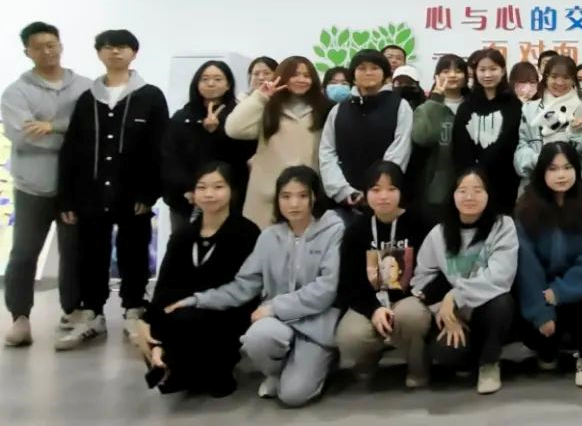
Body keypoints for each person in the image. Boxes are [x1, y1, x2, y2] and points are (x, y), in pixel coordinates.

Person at [165, 166, 344, 407]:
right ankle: (276, 373)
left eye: (302, 195)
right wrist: (198, 300)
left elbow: (326, 289)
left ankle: (323, 363)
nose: (294, 204)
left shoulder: (333, 230)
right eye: (286, 196)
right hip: (279, 322)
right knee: (257, 336)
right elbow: (244, 285)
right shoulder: (269, 237)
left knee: (293, 396)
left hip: (316, 324)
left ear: (314, 197)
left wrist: (274, 307)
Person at [56, 29, 169, 349]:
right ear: (99, 54)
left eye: (121, 47)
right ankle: (92, 313)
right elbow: (71, 150)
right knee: (91, 253)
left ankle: (134, 310)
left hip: (133, 195)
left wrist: (149, 193)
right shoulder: (88, 98)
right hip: (90, 193)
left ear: (134, 53)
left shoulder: (150, 96)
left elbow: (160, 148)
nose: (114, 52)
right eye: (107, 47)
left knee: (134, 252)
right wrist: (66, 198)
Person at [136, 163, 260, 396]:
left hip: (227, 312)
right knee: (162, 320)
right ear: (193, 193)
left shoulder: (247, 233)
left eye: (218, 187)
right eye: (202, 187)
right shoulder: (183, 235)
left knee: (214, 378)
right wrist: (148, 320)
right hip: (185, 314)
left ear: (232, 191)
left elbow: (244, 290)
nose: (209, 194)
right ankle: (171, 364)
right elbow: (166, 285)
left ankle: (178, 362)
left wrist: (192, 301)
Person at [2, 22, 90, 348]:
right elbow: (23, 136)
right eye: (38, 47)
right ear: (27, 51)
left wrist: (52, 126)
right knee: (24, 253)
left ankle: (73, 314)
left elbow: (91, 133)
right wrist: (71, 138)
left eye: (52, 44)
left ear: (61, 46)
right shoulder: (16, 92)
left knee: (74, 254)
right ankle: (20, 318)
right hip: (33, 186)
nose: (47, 51)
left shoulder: (84, 87)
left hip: (75, 188)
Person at [411, 167, 519, 395]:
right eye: (462, 191)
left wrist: (456, 295)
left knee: (502, 303)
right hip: (454, 312)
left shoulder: (503, 225)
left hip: (486, 308)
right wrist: (442, 309)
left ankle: (489, 363)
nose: (470, 197)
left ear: (488, 195)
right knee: (445, 352)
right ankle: (469, 359)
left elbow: (500, 277)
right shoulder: (439, 233)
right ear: (453, 195)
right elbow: (421, 279)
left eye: (477, 190)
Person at [515, 143, 582, 387]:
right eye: (553, 168)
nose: (561, 175)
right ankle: (549, 348)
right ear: (541, 172)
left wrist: (561, 290)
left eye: (567, 167)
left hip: (579, 287)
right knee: (537, 333)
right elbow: (527, 263)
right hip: (544, 289)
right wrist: (541, 310)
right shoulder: (525, 208)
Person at [335, 162, 431, 388]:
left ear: (402, 191)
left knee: (411, 316)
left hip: (409, 299)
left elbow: (432, 269)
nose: (383, 196)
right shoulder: (356, 231)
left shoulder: (420, 223)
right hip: (372, 301)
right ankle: (369, 359)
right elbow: (350, 282)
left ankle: (418, 365)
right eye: (376, 190)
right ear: (365, 193)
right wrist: (374, 309)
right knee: (349, 336)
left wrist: (416, 296)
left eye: (391, 189)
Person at [226, 56, 329, 229]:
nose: (302, 79)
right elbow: (234, 128)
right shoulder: (266, 108)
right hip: (267, 198)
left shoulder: (323, 110)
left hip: (307, 196)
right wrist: (261, 97)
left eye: (307, 75)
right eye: (295, 74)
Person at [161, 61, 254, 235]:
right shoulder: (181, 117)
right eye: (204, 79)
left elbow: (243, 156)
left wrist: (216, 132)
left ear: (228, 85)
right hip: (186, 200)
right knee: (183, 245)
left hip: (229, 201)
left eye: (218, 79)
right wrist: (191, 189)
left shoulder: (239, 115)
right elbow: (170, 158)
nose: (210, 83)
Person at [319, 50, 413, 214]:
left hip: (385, 200)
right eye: (362, 68)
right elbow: (327, 152)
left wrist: (378, 189)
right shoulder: (339, 110)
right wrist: (343, 191)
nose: (368, 72)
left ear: (385, 74)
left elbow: (400, 149)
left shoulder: (400, 106)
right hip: (345, 202)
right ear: (353, 76)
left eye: (374, 68)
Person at [514, 55, 582, 192]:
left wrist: (579, 133)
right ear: (546, 78)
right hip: (536, 186)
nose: (559, 82)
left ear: (573, 80)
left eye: (566, 77)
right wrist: (541, 160)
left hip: (575, 187)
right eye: (554, 76)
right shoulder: (530, 109)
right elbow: (521, 148)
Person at [452, 49, 522, 215]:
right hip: (472, 183)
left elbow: (512, 143)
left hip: (505, 182)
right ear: (475, 73)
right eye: (482, 70)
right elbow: (459, 147)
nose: (487, 74)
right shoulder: (466, 107)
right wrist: (472, 175)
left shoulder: (514, 105)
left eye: (493, 69)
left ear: (503, 71)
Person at [411, 54, 469, 228]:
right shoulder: (425, 108)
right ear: (436, 76)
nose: (452, 75)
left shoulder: (473, 106)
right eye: (446, 70)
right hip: (438, 190)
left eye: (458, 70)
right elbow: (421, 137)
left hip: (470, 185)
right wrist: (436, 100)